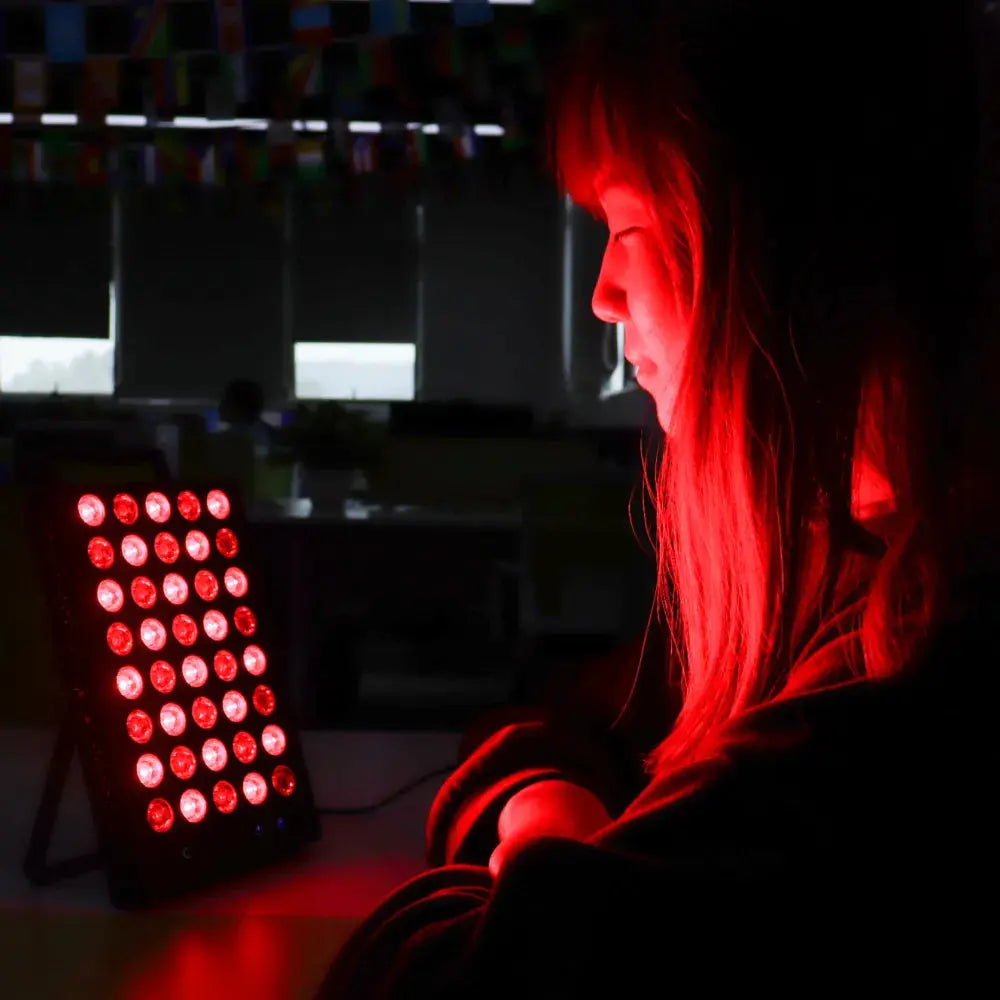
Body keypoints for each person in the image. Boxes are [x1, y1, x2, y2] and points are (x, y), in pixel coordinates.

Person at [318, 1, 997, 995]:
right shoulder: (832, 569)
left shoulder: (900, 685)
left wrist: (551, 866)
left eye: (630, 225)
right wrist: (551, 813)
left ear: (789, 263)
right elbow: (565, 722)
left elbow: (408, 979)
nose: (600, 292)